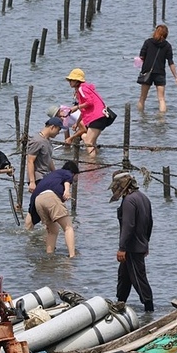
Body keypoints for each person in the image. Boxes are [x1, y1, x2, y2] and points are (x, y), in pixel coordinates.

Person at [109, 170, 155, 312]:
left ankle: (149, 308)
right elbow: (150, 223)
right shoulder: (143, 197)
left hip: (132, 247)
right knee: (124, 277)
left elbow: (128, 225)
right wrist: (146, 243)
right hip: (139, 244)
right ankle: (120, 303)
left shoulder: (129, 201)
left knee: (138, 279)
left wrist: (122, 248)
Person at [24, 161, 79, 258]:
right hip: (50, 197)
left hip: (38, 200)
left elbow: (33, 199)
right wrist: (67, 191)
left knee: (52, 230)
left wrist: (33, 216)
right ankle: (72, 256)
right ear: (74, 173)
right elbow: (68, 177)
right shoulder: (65, 172)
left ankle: (49, 255)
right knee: (68, 227)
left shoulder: (51, 176)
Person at [63, 68, 115, 157]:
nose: (70, 82)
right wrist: (77, 123)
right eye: (69, 80)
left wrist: (77, 107)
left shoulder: (81, 89)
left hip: (97, 117)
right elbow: (84, 110)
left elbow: (89, 102)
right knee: (90, 140)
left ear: (77, 81)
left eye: (71, 80)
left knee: (88, 142)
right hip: (101, 116)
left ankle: (91, 163)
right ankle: (95, 161)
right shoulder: (85, 88)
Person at [136, 23, 177, 112]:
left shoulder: (148, 42)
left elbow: (141, 57)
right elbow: (170, 62)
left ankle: (141, 118)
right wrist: (176, 77)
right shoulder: (167, 46)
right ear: (166, 34)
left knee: (142, 98)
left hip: (147, 72)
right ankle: (161, 119)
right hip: (160, 73)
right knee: (161, 99)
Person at [26, 117, 64, 192]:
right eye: (58, 130)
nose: (58, 133)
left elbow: (49, 159)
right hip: (38, 177)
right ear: (52, 127)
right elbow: (30, 161)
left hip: (46, 176)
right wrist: (32, 182)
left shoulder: (47, 141)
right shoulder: (37, 141)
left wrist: (55, 174)